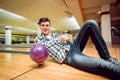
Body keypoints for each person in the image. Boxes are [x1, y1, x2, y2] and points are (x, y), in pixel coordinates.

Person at [35, 17, 120, 79]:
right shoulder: (38, 40)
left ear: (50, 26)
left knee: (90, 23)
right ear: (40, 27)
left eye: (47, 25)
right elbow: (38, 54)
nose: (45, 27)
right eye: (43, 25)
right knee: (101, 64)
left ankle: (107, 57)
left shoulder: (56, 34)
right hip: (69, 56)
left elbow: (66, 41)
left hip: (73, 45)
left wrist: (67, 39)